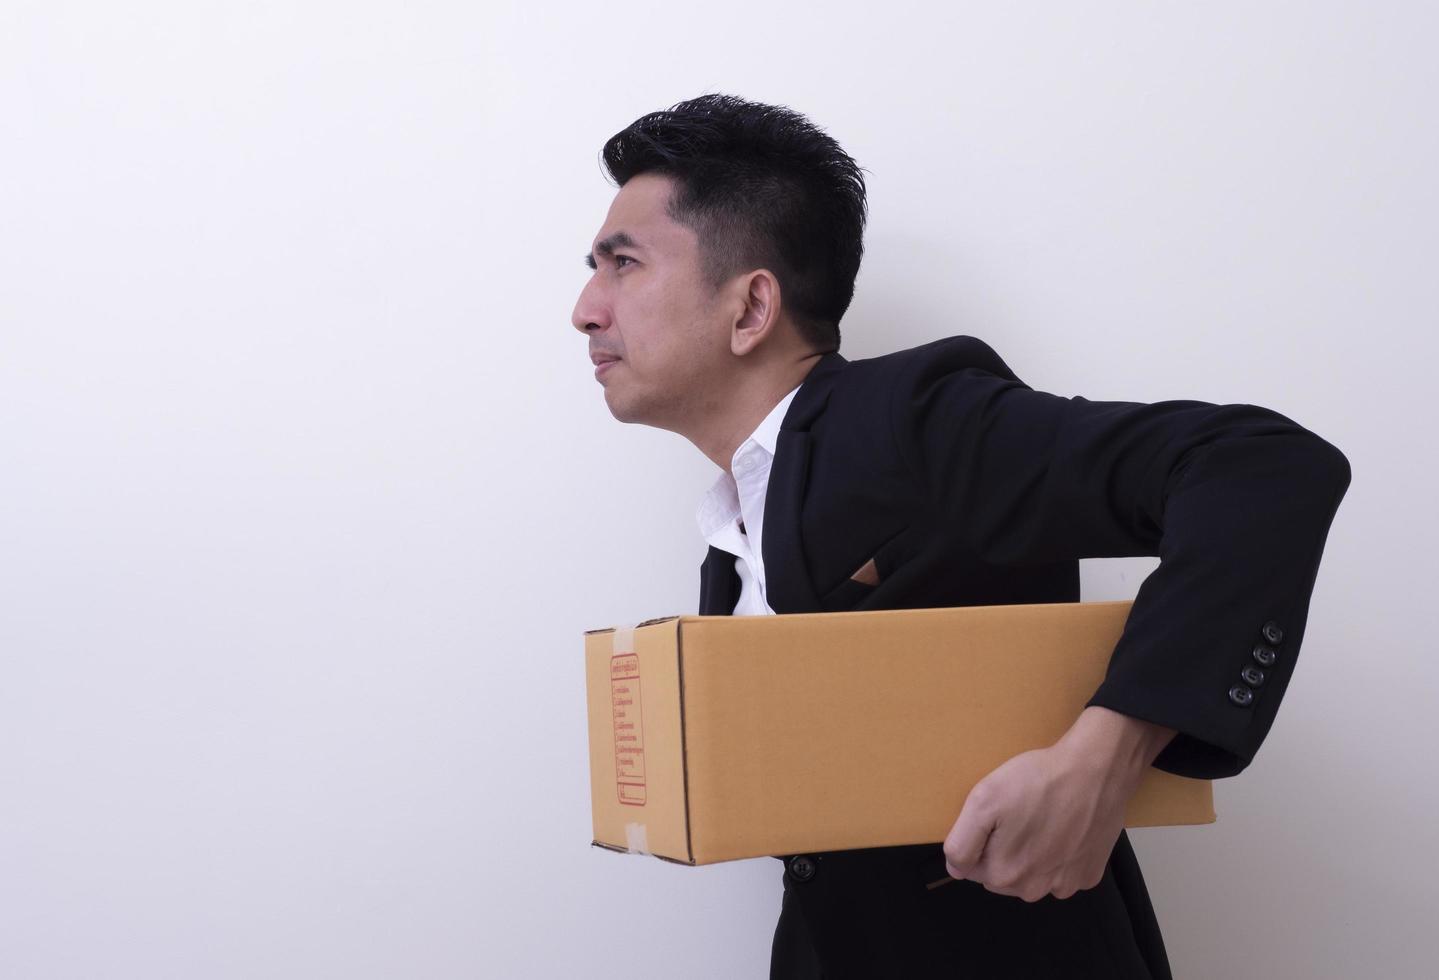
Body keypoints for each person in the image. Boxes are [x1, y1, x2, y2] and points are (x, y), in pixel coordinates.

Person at [571, 93, 1350, 979]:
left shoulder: (917, 420)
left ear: (751, 309)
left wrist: (1108, 751)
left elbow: (1263, 467)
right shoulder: (732, 528)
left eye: (622, 263)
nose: (586, 309)